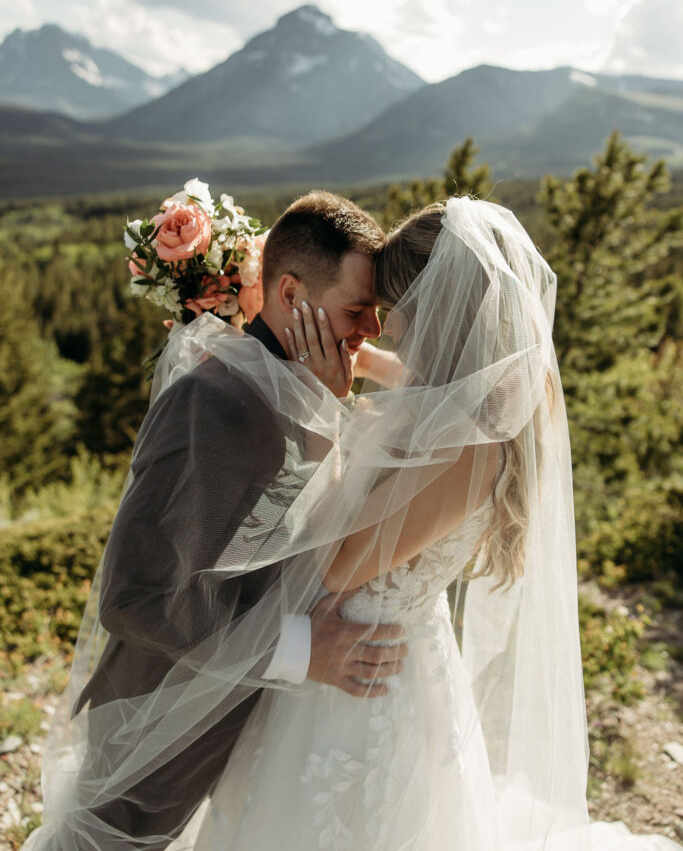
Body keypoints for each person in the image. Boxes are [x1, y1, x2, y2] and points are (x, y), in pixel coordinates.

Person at [186, 197, 678, 851]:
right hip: (354, 656)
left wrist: (324, 414)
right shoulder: (481, 397)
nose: (387, 332)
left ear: (447, 316)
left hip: (366, 682)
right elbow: (406, 376)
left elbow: (337, 563)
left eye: (400, 314)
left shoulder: (471, 452)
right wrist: (323, 346)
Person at [24, 191, 409, 851]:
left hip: (238, 742)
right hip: (156, 743)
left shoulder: (303, 390)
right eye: (356, 309)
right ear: (290, 292)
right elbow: (134, 598)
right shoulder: (214, 401)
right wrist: (297, 650)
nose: (369, 330)